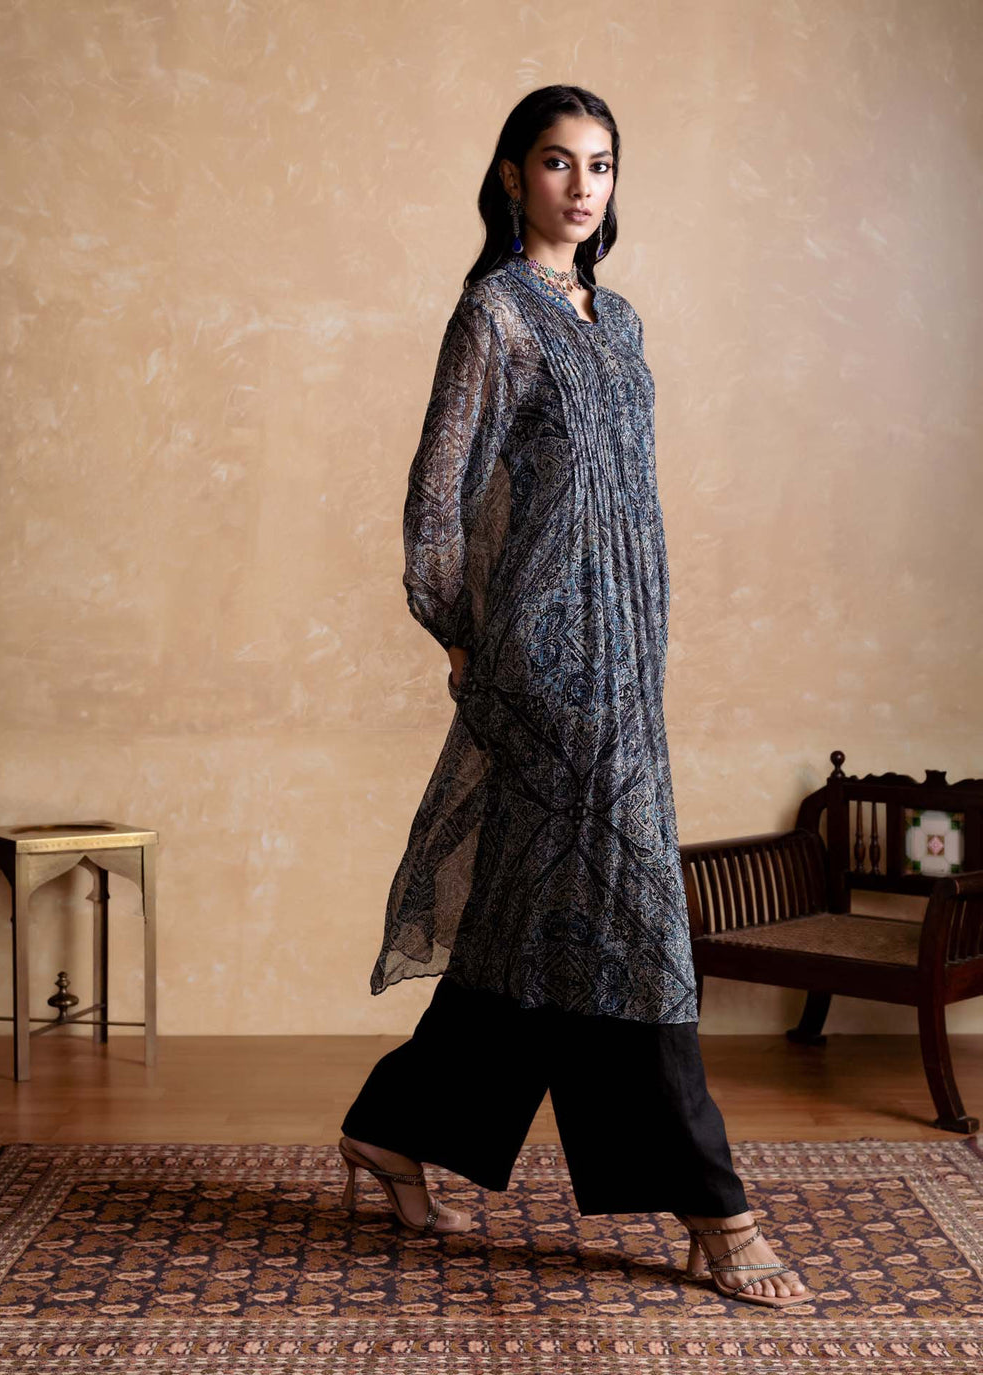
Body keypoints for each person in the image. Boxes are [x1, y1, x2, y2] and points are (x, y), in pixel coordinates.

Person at [339, 85, 808, 1309]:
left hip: (625, 660)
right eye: (556, 162)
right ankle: (717, 1210)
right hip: (546, 668)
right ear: (511, 177)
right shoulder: (495, 314)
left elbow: (621, 500)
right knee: (636, 915)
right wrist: (464, 639)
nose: (581, 184)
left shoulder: (621, 318)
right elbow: (435, 500)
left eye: (600, 164)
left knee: (533, 924)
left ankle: (395, 1128)